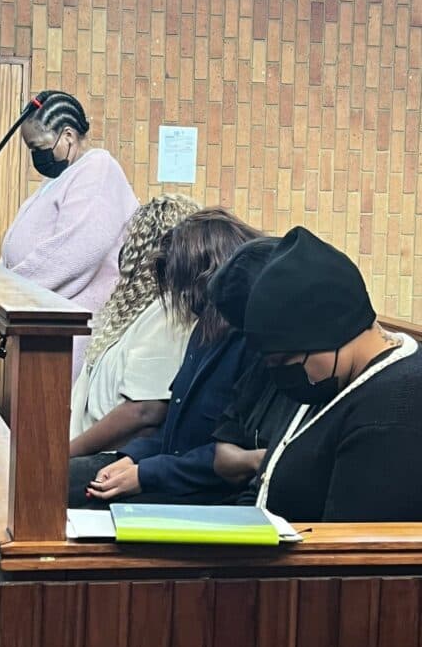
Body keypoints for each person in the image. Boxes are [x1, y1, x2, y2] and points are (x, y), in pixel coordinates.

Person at [68, 208, 262, 507]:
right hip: (165, 473)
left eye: (185, 289)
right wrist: (133, 457)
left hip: (200, 494)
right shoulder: (204, 332)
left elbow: (225, 457)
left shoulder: (252, 345)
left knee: (54, 487)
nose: (184, 301)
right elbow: (176, 432)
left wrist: (145, 474)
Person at [238, 226, 422, 522]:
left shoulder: (394, 410)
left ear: (331, 330)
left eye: (287, 361)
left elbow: (355, 550)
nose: (283, 376)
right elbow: (266, 480)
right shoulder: (329, 380)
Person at [0, 91, 139, 378]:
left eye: (38, 146)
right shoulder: (64, 175)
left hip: (73, 325)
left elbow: (74, 251)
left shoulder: (98, 169)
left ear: (67, 136)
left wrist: (7, 289)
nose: (36, 156)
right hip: (46, 318)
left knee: (58, 414)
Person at [70, 194, 201, 457]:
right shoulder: (136, 308)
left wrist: (65, 455)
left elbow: (145, 410)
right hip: (89, 450)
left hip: (111, 460)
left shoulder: (169, 313)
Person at [207, 237, 300, 486]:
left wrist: (251, 459)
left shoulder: (317, 373)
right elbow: (222, 457)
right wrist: (258, 460)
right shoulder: (262, 366)